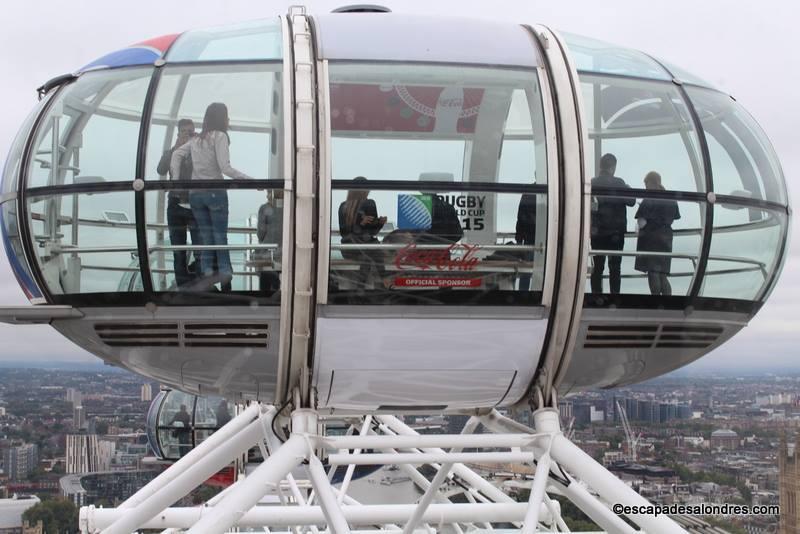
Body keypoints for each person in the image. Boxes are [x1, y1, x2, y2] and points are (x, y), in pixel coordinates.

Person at [171, 103, 254, 290]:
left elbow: (176, 155)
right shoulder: (220, 136)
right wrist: (250, 180)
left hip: (195, 195)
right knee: (220, 236)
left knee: (207, 238)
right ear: (221, 118)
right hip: (215, 193)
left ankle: (207, 272)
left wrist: (176, 182)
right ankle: (225, 274)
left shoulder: (197, 140)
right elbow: (225, 168)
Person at [157, 119, 198, 288]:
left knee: (200, 248)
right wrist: (175, 148)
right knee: (178, 249)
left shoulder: (198, 150)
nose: (188, 134)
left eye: (191, 132)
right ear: (179, 133)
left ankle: (197, 281)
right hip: (175, 204)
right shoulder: (171, 152)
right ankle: (183, 285)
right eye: (185, 132)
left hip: (195, 203)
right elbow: (161, 169)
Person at [590, 153, 636, 294]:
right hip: (616, 232)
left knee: (598, 266)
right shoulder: (619, 183)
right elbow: (632, 201)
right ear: (613, 167)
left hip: (598, 231)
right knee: (615, 267)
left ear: (600, 166)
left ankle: (596, 296)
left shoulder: (593, 182)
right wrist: (627, 188)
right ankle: (614, 297)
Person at [634, 171, 681, 296]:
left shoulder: (649, 199)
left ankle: (655, 301)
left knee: (653, 272)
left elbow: (642, 222)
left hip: (650, 238)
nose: (646, 188)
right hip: (666, 238)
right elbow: (673, 218)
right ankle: (667, 302)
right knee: (662, 274)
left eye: (646, 184)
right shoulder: (671, 198)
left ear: (652, 183)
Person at [338, 177, 387, 287]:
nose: (368, 192)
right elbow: (345, 232)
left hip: (353, 248)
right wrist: (360, 223)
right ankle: (384, 283)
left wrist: (380, 223)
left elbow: (372, 232)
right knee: (373, 253)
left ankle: (361, 289)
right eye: (367, 189)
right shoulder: (347, 206)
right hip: (356, 247)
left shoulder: (344, 206)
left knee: (370, 254)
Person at [255, 189, 283, 296]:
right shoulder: (291, 207)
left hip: (268, 255)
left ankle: (266, 301)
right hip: (286, 254)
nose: (267, 196)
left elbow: (260, 234)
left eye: (268, 192)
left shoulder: (265, 208)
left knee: (265, 288)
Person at [515, 190, 538, 291]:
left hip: (529, 237)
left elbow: (520, 217)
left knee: (526, 270)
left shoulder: (528, 192)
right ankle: (537, 293)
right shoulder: (551, 190)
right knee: (542, 270)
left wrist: (519, 239)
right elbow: (520, 217)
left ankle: (523, 294)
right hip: (543, 238)